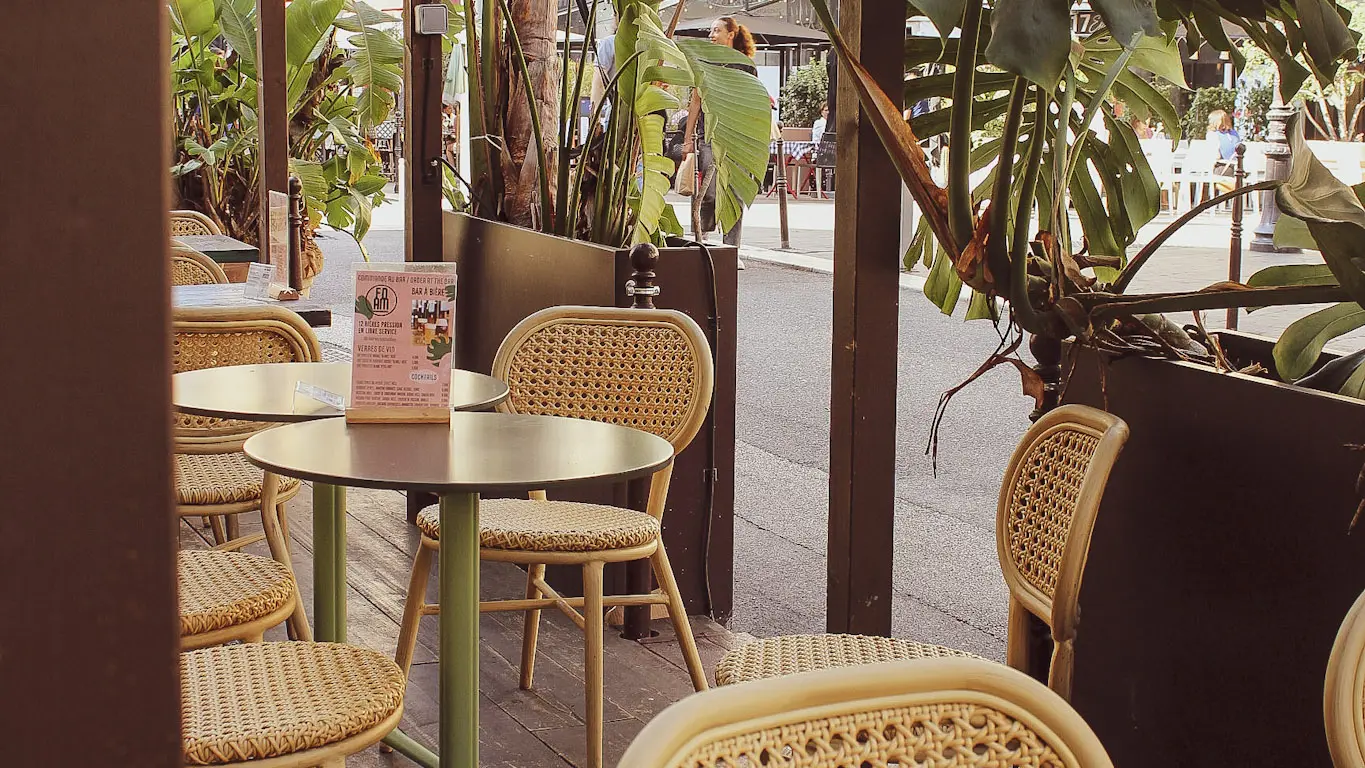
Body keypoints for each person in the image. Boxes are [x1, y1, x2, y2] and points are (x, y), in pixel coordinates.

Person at [681, 16, 757, 247]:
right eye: (711, 31)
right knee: (709, 192)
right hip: (710, 136)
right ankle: (702, 239)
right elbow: (695, 102)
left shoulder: (745, 65)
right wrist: (687, 140)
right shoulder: (705, 62)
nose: (711, 35)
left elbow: (753, 103)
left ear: (730, 35)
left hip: (738, 138)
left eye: (716, 31)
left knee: (735, 195)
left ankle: (732, 247)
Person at [1208, 109, 1241, 192]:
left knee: (1207, 174)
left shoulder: (1213, 134)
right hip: (1238, 168)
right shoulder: (1234, 133)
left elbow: (1216, 156)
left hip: (1224, 169)